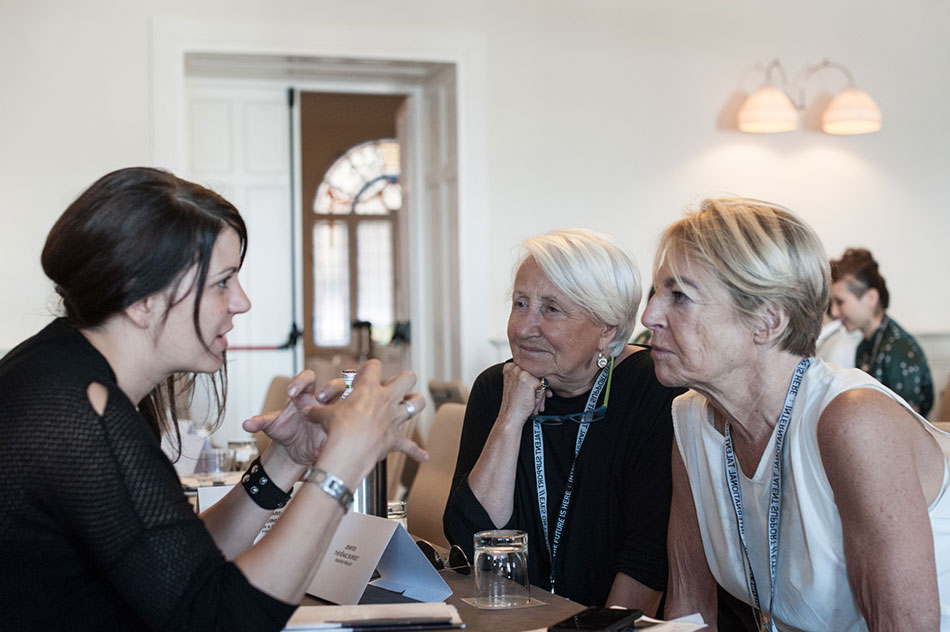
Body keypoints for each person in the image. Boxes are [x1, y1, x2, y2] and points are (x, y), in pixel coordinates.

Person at [0, 167, 427, 630]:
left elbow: (177, 568)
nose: (242, 301)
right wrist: (341, 465)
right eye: (222, 282)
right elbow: (223, 619)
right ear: (141, 299)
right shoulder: (84, 414)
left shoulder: (67, 367)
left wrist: (284, 461)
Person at [642, 198, 950, 630]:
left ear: (768, 322)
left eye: (679, 296)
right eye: (657, 292)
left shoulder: (854, 421)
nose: (649, 314)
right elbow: (690, 614)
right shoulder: (692, 419)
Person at [443, 229, 681, 613]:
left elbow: (649, 560)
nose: (522, 327)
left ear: (607, 330)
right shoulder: (496, 387)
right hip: (516, 618)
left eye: (550, 309)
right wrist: (510, 418)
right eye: (520, 303)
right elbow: (471, 542)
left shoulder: (655, 391)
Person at [830, 247, 934, 416]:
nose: (834, 312)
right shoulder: (864, 346)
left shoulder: (898, 350)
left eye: (840, 302)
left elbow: (909, 424)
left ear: (871, 298)